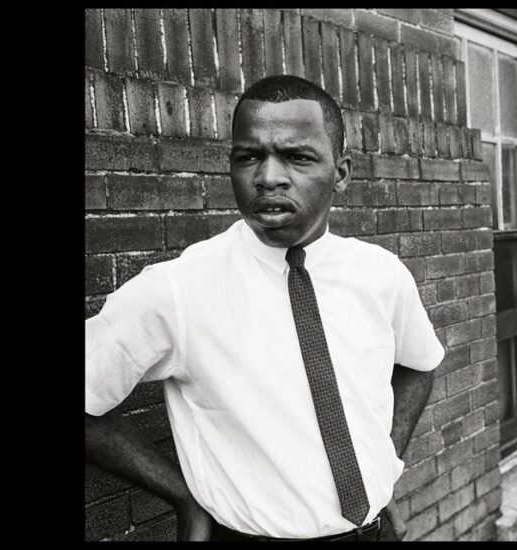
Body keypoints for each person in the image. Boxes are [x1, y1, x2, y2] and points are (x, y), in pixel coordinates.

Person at [85, 75, 446, 541]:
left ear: (341, 173)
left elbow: (420, 365)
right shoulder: (177, 290)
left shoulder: (381, 274)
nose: (268, 177)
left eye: (296, 156)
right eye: (248, 156)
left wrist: (384, 462)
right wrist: (182, 495)